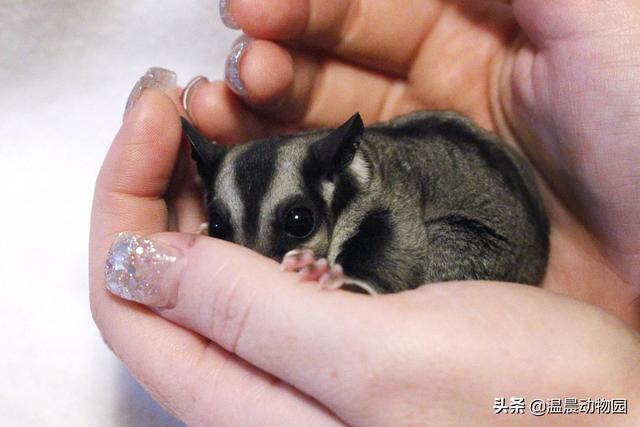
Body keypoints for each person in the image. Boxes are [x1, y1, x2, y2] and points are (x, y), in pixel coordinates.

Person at [89, 0, 640, 425]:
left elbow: (396, 258)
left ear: (333, 178)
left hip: (488, 235)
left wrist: (604, 406)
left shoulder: (374, 201)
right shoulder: (334, 171)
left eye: (295, 224)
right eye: (229, 231)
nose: (253, 261)